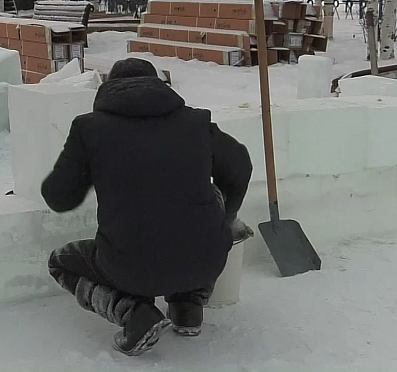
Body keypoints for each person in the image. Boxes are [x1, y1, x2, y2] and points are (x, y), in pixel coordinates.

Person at [41, 57, 253, 356]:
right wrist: (227, 217)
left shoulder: (89, 129)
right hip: (207, 260)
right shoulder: (196, 122)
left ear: (107, 88)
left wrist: (90, 168)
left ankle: (133, 313)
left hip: (129, 267)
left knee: (60, 262)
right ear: (159, 85)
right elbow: (240, 166)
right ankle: (187, 307)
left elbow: (59, 197)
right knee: (203, 212)